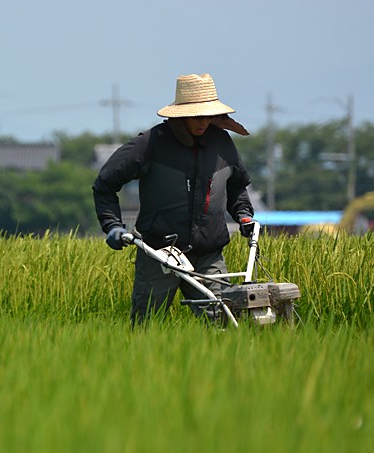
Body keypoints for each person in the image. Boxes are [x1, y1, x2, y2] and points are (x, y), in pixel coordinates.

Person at [92, 73, 255, 325]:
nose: (203, 122)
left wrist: (243, 214)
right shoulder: (151, 143)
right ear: (181, 114)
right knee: (146, 328)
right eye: (196, 116)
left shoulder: (222, 143)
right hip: (158, 253)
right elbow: (104, 184)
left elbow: (237, 186)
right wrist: (112, 224)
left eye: (207, 115)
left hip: (208, 255)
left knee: (225, 325)